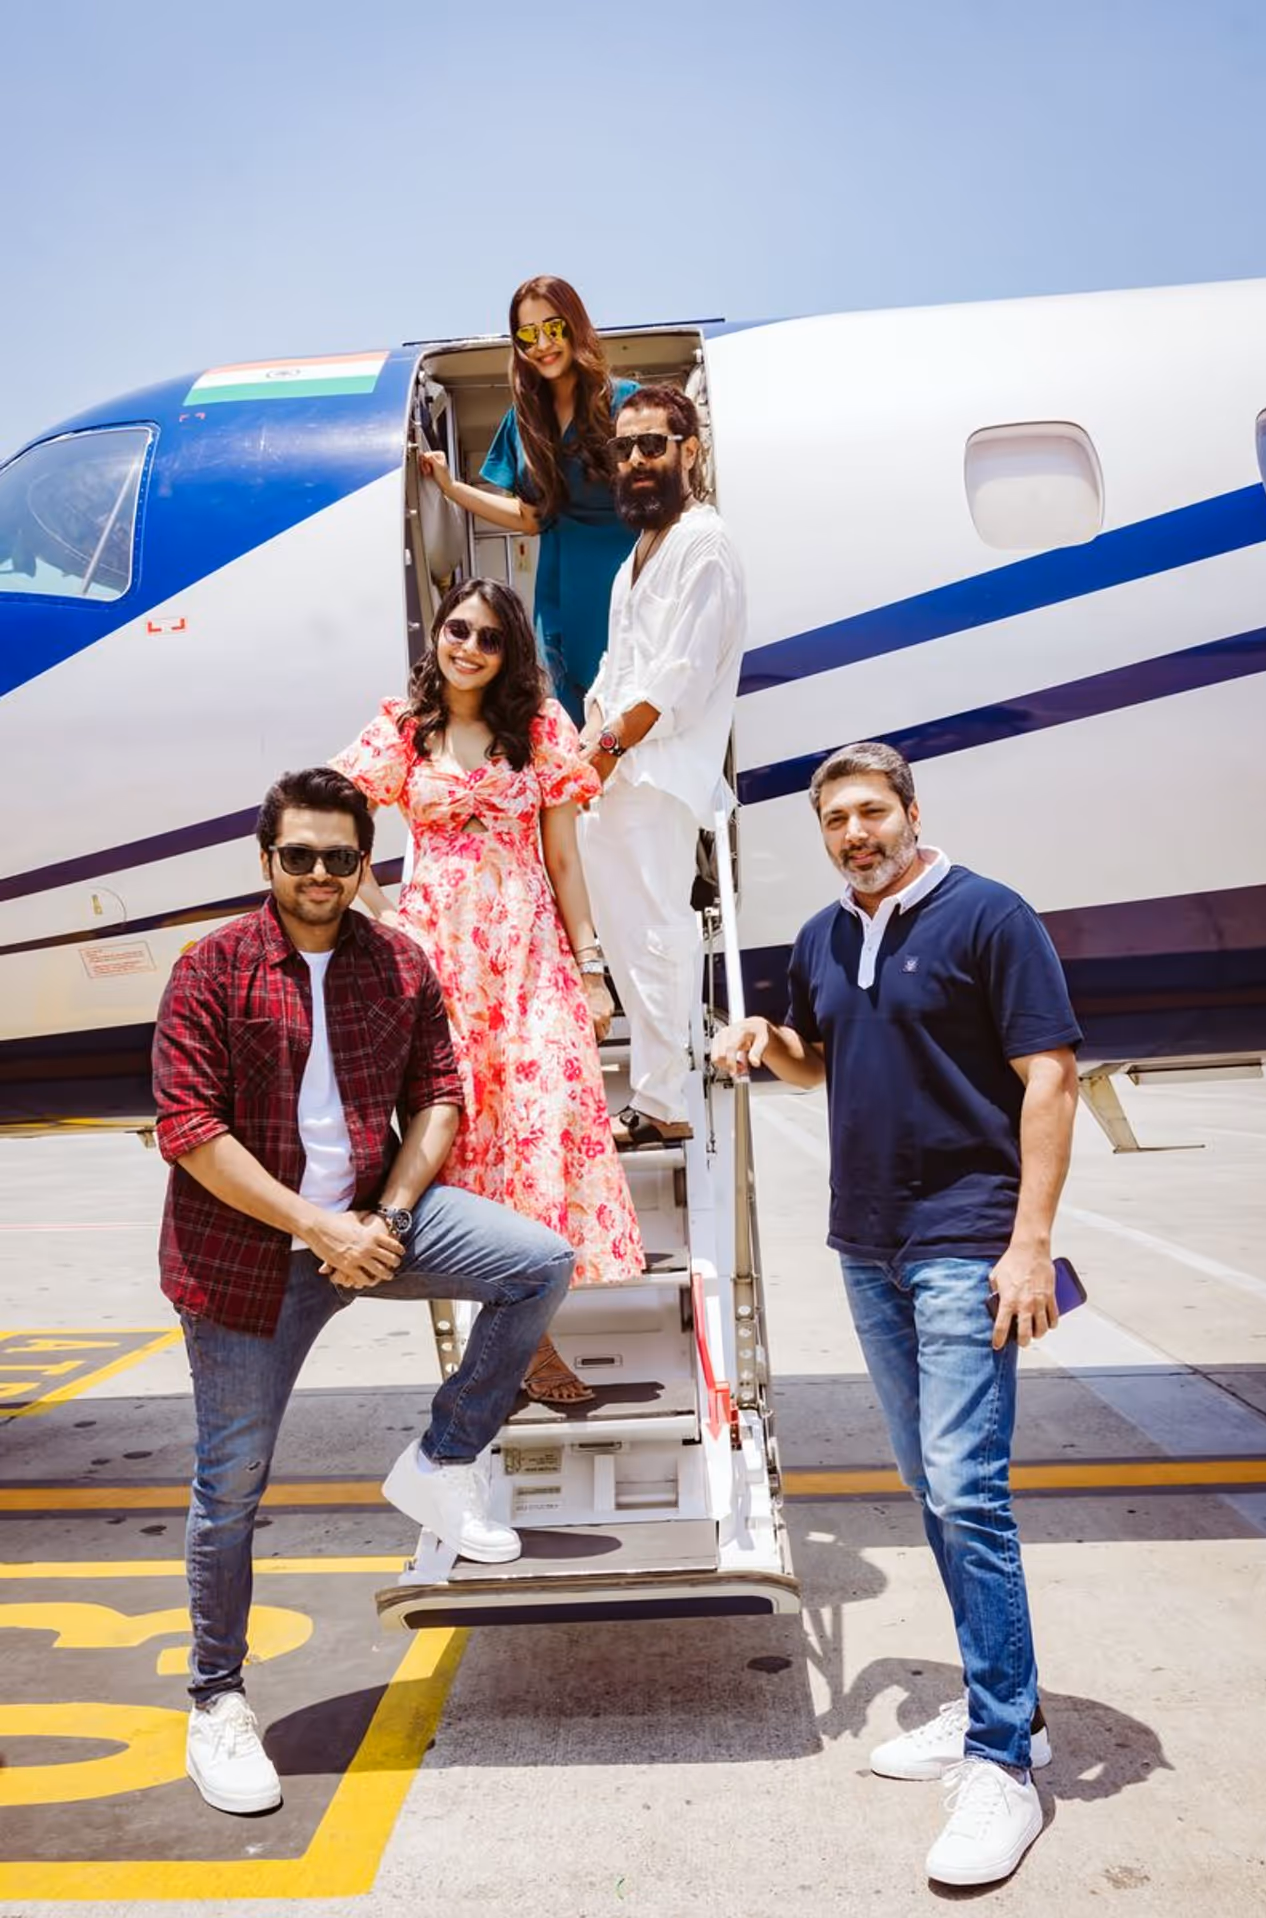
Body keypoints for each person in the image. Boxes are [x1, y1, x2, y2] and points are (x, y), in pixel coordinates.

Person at [153, 767, 575, 1817]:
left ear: (362, 863)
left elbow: (439, 1093)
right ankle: (215, 1699)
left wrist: (383, 1217)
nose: (318, 873)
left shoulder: (396, 962)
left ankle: (441, 1459)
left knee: (536, 1262)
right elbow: (190, 1130)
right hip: (247, 1256)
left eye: (338, 857)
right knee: (230, 1487)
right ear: (267, 860)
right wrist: (316, 1226)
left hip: (376, 1221)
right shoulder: (211, 967)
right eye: (298, 855)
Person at [711, 741, 1081, 1888]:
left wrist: (1028, 1245)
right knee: (929, 1481)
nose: (853, 833)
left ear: (910, 810)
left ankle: (1002, 1760)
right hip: (864, 1245)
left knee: (967, 1488)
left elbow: (1050, 1074)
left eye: (870, 811)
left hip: (965, 1241)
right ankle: (1002, 1705)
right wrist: (766, 1042)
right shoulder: (821, 936)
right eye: (834, 819)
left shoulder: (987, 915)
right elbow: (820, 1062)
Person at [333, 579, 645, 1404]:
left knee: (544, 1120)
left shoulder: (539, 729)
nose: (468, 647)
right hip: (441, 962)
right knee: (468, 1140)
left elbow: (564, 858)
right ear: (437, 634)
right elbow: (331, 818)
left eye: (489, 637)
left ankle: (528, 1335)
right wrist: (389, 918)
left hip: (530, 952)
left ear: (510, 653)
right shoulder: (404, 730)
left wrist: (591, 968)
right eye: (457, 630)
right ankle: (524, 1346)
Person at [578, 384, 747, 1148]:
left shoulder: (704, 546)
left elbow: (679, 679)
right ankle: (648, 1094)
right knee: (619, 935)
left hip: (659, 773)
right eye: (625, 449)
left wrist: (607, 748)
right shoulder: (638, 556)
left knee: (657, 932)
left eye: (653, 445)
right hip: (616, 776)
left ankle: (664, 1103)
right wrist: (586, 742)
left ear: (690, 450)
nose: (637, 460)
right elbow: (617, 666)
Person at [419, 275, 639, 725]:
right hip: (557, 593)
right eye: (527, 335)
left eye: (553, 328)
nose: (542, 345)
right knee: (568, 724)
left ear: (575, 326)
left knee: (626, 716)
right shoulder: (522, 421)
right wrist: (452, 488)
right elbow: (530, 518)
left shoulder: (624, 402)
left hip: (624, 582)